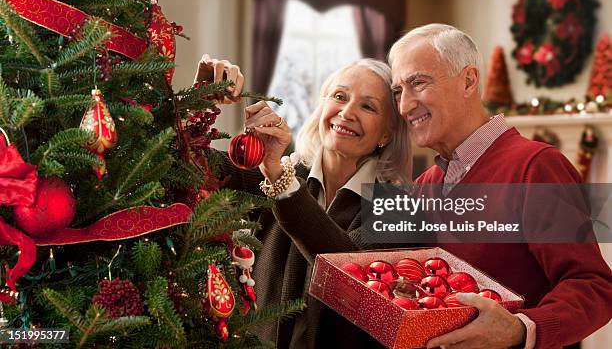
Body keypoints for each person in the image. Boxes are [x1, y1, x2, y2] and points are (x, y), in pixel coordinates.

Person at [388, 24, 612, 349]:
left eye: (418, 83)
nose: (405, 106)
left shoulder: (536, 166)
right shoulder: (425, 185)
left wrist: (520, 330)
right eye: (398, 91)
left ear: (468, 81)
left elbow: (594, 286)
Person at [196, 56, 411, 348]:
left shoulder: (399, 209)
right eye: (339, 96)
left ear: (386, 133)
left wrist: (279, 179)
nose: (347, 112)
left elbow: (348, 273)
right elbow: (191, 167)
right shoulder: (274, 172)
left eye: (368, 106)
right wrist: (196, 102)